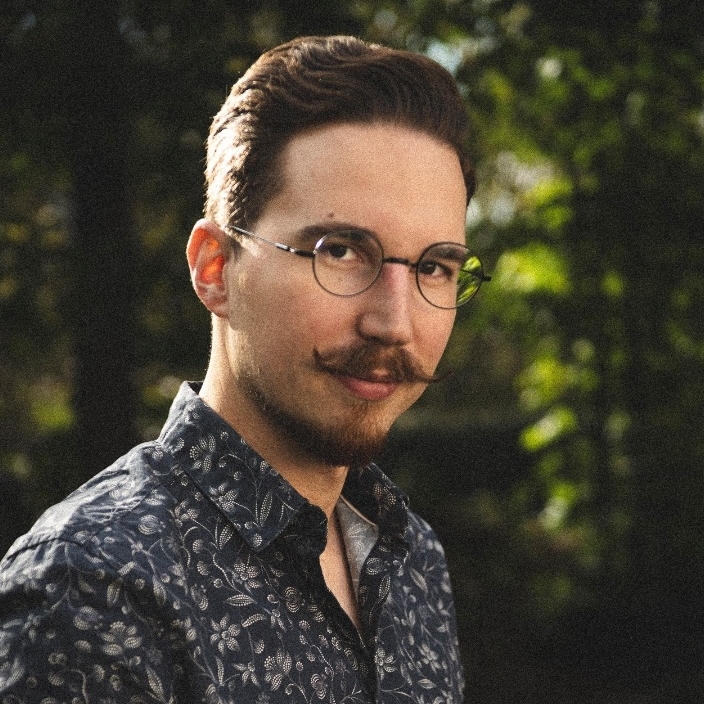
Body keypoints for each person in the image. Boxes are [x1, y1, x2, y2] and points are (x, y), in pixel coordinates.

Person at [0, 35, 489, 703]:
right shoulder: (90, 587)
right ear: (215, 269)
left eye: (433, 267)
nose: (395, 323)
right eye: (341, 251)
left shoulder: (411, 556)